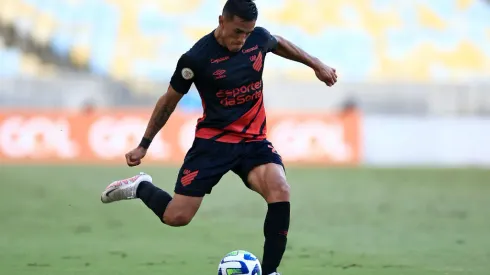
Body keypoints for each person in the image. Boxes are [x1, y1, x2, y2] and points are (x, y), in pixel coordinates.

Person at [100, 0, 337, 274]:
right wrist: (144, 144)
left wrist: (316, 64)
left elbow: (277, 42)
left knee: (280, 189)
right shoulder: (196, 59)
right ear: (222, 21)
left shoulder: (257, 39)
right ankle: (140, 187)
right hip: (213, 143)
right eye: (238, 31)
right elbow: (169, 101)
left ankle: (270, 271)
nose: (243, 39)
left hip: (252, 141)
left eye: (248, 32)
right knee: (177, 217)